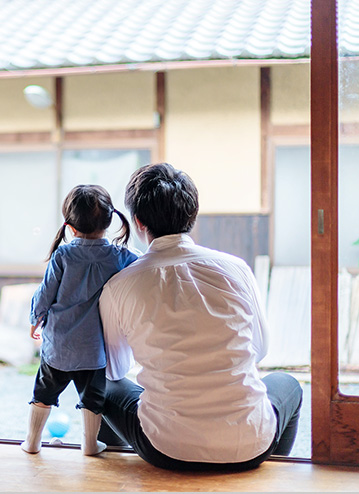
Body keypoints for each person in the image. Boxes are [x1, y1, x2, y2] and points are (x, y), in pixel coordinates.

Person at [98, 163, 303, 471]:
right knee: (288, 384)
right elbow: (260, 350)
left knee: (101, 383)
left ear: (138, 222)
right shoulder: (236, 268)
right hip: (251, 443)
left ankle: (107, 472)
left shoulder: (120, 285)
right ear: (192, 216)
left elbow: (115, 369)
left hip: (165, 447)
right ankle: (272, 474)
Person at [21, 185, 138, 456]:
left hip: (57, 346)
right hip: (92, 350)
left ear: (70, 227)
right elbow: (147, 263)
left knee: (43, 395)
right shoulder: (119, 256)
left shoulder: (63, 255)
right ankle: (89, 445)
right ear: (109, 221)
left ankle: (32, 442)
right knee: (92, 399)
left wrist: (35, 319)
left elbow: (44, 293)